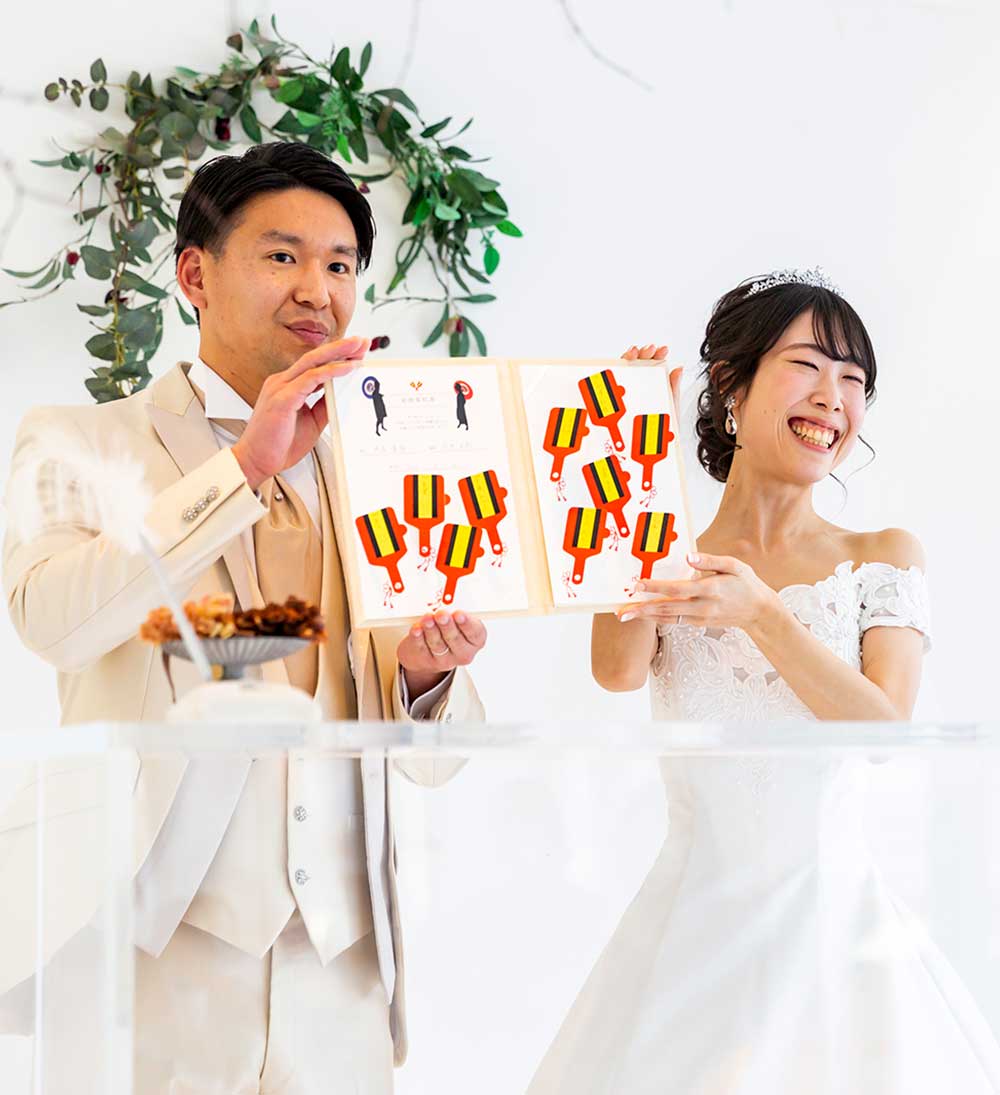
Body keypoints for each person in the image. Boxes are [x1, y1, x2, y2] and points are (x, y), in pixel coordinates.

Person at [1, 141, 488, 1093]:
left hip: (343, 961)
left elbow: (439, 759)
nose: (317, 288)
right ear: (195, 275)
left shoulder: (387, 464)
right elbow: (51, 621)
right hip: (146, 947)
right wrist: (243, 470)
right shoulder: (76, 439)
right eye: (282, 256)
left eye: (340, 264)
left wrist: (428, 675)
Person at [528, 269, 1000, 1093]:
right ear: (731, 386)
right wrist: (630, 462)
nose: (832, 399)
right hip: (688, 932)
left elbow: (886, 732)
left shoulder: (883, 555)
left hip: (834, 939)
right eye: (807, 365)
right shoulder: (667, 548)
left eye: (853, 380)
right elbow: (616, 670)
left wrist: (762, 614)